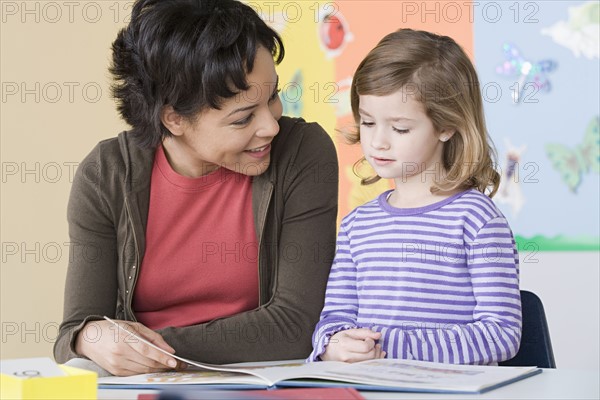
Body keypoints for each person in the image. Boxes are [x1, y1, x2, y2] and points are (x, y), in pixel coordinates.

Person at [54, 0, 338, 376]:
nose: (271, 126)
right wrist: (90, 337)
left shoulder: (302, 154)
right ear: (173, 118)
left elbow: (296, 326)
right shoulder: (106, 175)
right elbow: (72, 333)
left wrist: (146, 347)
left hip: (262, 381)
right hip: (144, 384)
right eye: (243, 118)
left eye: (272, 97)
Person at [308, 29, 521, 365]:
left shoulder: (477, 220)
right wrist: (332, 346)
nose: (378, 141)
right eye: (367, 122)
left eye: (400, 128)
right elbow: (334, 319)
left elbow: (501, 334)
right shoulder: (356, 226)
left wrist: (391, 348)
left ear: (446, 126)